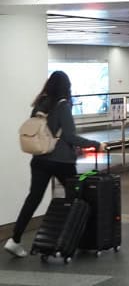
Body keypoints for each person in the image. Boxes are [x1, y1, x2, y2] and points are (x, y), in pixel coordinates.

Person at [5, 71, 107, 258]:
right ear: (66, 88)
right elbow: (70, 136)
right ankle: (80, 238)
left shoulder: (39, 105)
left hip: (39, 160)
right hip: (62, 162)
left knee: (33, 199)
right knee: (79, 195)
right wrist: (96, 144)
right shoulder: (63, 106)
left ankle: (15, 239)